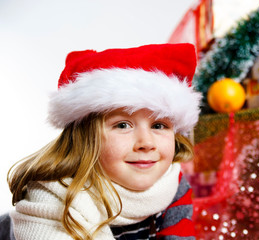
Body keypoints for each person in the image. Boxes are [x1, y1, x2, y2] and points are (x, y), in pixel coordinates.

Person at [7, 43, 202, 240]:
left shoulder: (173, 184)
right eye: (123, 125)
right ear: (86, 138)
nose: (146, 143)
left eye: (159, 125)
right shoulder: (53, 198)